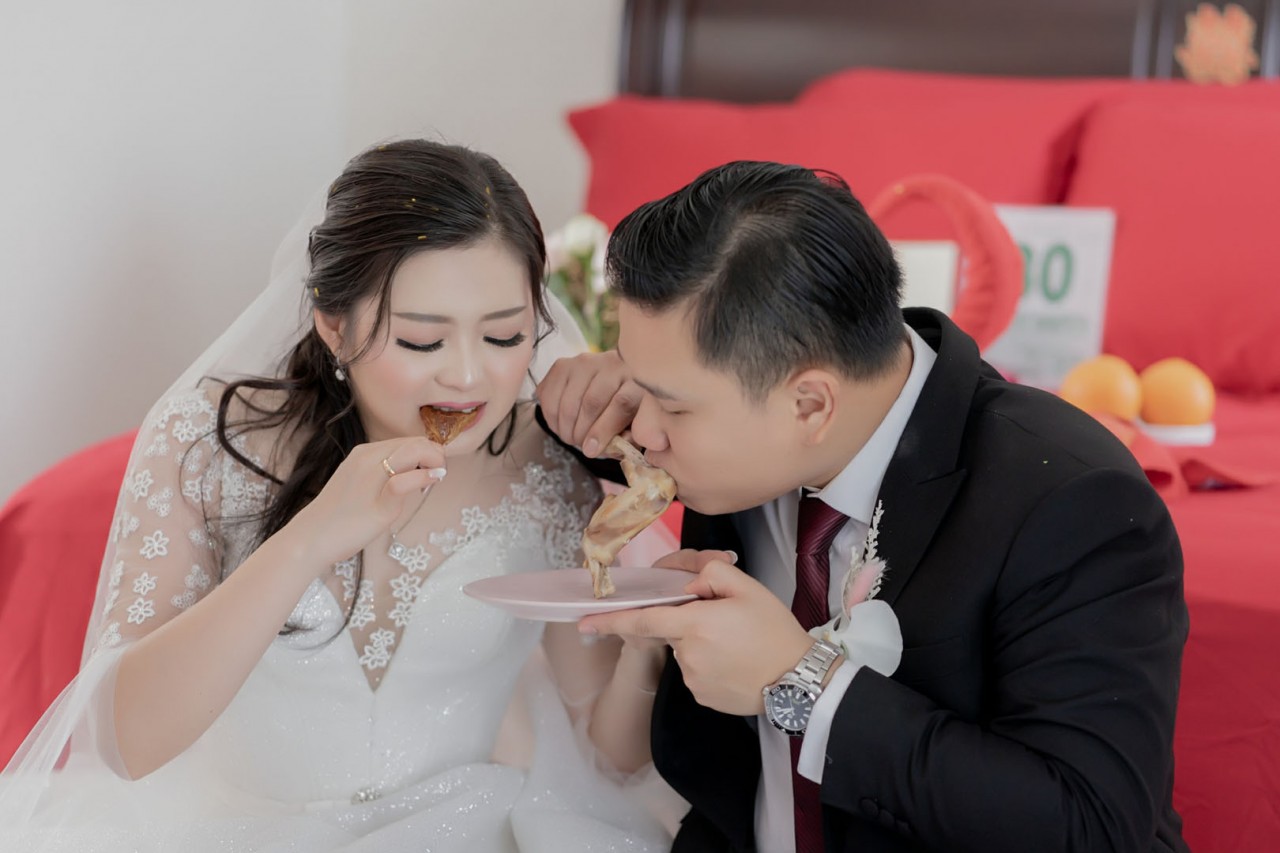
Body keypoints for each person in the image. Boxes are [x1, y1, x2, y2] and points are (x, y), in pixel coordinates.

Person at [0, 140, 676, 853]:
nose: (468, 377)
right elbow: (125, 742)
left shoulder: (547, 466)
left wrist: (645, 647)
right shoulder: (206, 443)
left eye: (505, 335)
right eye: (423, 341)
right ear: (333, 324)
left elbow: (610, 755)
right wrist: (309, 538)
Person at [536, 161, 1190, 852]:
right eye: (638, 382)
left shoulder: (1071, 503)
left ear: (811, 404)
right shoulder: (732, 407)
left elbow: (1092, 827)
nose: (643, 430)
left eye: (671, 406)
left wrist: (801, 683)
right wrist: (573, 397)